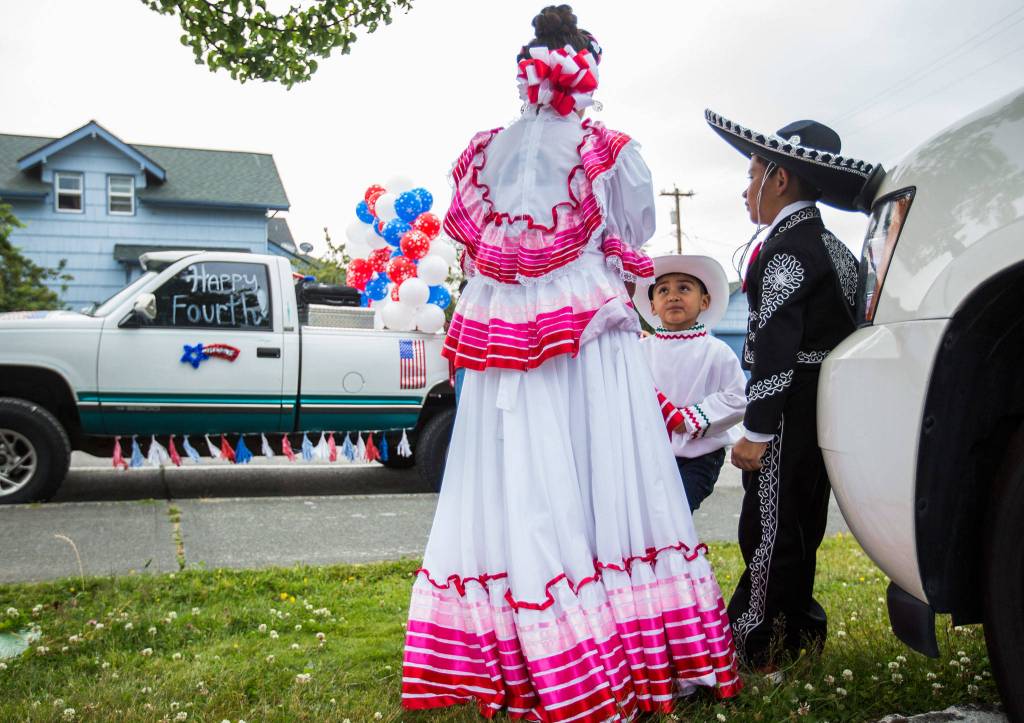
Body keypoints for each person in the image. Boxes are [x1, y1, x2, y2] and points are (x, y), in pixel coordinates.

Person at [400, 7, 742, 720]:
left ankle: (518, 644)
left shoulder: (483, 151)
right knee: (605, 466)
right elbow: (636, 227)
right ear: (585, 70)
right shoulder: (609, 148)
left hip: (507, 327)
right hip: (582, 324)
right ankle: (601, 641)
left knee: (511, 468)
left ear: (526, 72)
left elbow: (478, 239)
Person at [704, 108, 881, 670]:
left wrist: (756, 432)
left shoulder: (786, 248)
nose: (745, 189)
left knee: (771, 527)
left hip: (789, 406)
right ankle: (797, 634)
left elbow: (776, 348)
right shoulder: (833, 248)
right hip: (822, 403)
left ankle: (757, 642)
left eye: (752, 173)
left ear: (779, 178)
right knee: (801, 522)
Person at [632, 255, 747, 512]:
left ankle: (681, 551)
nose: (673, 296)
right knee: (650, 515)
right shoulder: (639, 352)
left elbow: (737, 398)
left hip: (700, 457)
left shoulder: (716, 351)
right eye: (663, 290)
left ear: (704, 301)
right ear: (652, 306)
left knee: (677, 514)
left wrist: (688, 420)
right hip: (651, 453)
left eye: (684, 288)